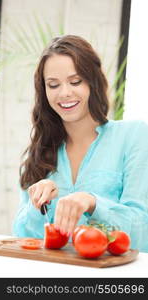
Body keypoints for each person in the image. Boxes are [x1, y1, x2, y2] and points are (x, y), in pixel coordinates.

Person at [13, 35, 148, 252]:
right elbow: (22, 238)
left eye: (75, 81)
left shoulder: (134, 135)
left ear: (92, 82)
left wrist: (92, 202)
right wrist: (37, 205)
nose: (65, 93)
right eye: (53, 85)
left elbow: (142, 232)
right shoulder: (40, 152)